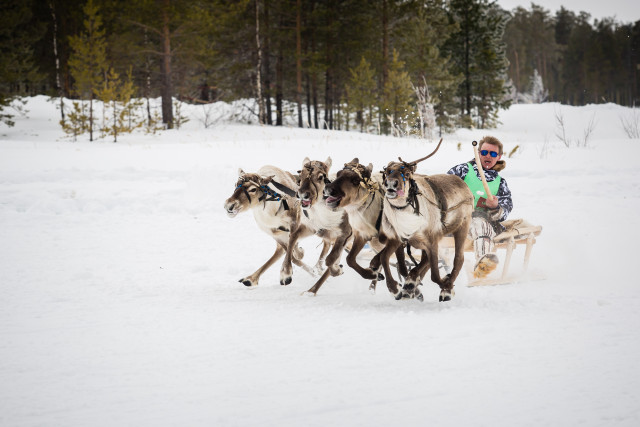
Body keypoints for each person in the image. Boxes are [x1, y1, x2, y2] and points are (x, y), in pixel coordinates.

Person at [447, 136, 513, 278]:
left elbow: (507, 207)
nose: (488, 156)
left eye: (493, 154)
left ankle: (483, 263)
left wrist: (496, 206)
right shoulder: (463, 170)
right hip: (456, 220)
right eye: (484, 153)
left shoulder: (500, 182)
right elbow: (443, 187)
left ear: (499, 157)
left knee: (480, 225)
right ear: (478, 153)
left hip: (482, 222)